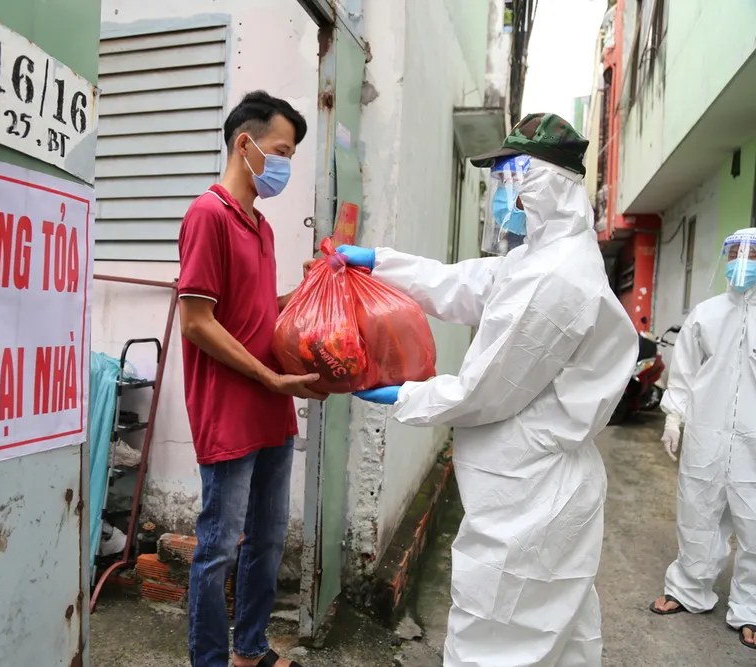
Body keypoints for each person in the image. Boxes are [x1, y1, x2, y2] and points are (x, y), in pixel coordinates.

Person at [337, 113, 639, 666]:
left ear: (545, 182)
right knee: (554, 639)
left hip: (529, 499)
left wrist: (406, 396)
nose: (501, 190)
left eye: (510, 174)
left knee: (497, 640)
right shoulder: (537, 259)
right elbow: (466, 285)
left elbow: (488, 391)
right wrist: (382, 265)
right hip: (531, 484)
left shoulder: (556, 279)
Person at [177, 90, 321, 667]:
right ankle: (210, 661)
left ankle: (251, 650)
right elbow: (195, 320)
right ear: (246, 143)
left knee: (266, 541)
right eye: (281, 150)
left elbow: (260, 312)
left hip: (271, 409)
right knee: (217, 549)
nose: (284, 164)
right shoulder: (207, 215)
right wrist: (269, 376)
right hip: (230, 411)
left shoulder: (258, 226)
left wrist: (308, 289)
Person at [649, 227, 756, 650]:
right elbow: (685, 373)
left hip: (754, 440)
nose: (742, 262)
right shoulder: (706, 314)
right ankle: (688, 589)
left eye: (751, 253)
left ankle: (751, 610)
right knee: (697, 513)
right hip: (707, 435)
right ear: (726, 258)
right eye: (735, 252)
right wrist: (674, 417)